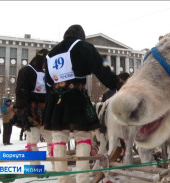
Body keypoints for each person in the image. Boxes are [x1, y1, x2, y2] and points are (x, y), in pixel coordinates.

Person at [44, 24, 119, 183]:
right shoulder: (83, 46)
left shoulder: (50, 54)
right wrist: (116, 83)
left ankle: (63, 178)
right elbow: (102, 65)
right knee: (84, 136)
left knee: (58, 137)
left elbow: (47, 82)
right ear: (81, 36)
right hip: (77, 97)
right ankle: (82, 177)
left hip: (56, 100)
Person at [13, 49, 53, 166]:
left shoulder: (47, 73)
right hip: (31, 111)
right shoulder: (26, 71)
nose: (46, 65)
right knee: (33, 139)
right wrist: (21, 110)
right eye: (46, 62)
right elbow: (21, 92)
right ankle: (35, 166)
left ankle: (57, 165)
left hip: (46, 112)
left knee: (52, 138)